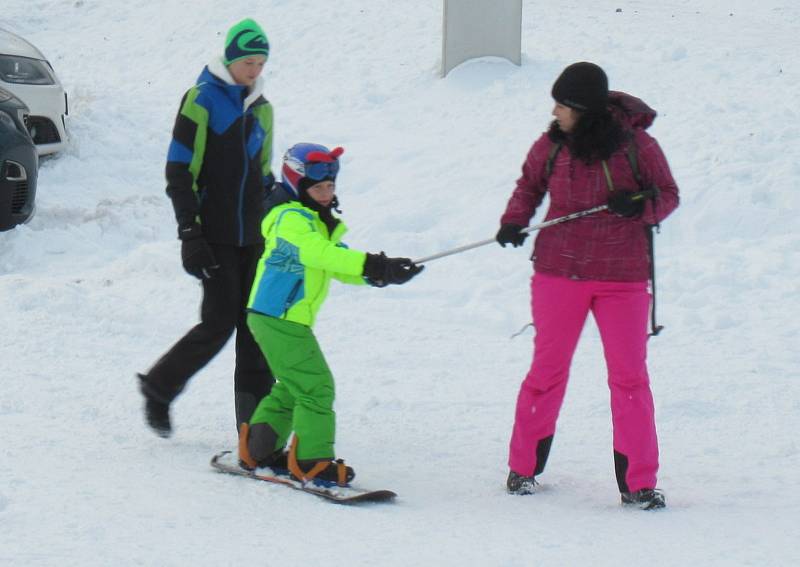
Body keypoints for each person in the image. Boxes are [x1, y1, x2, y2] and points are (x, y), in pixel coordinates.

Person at [496, 62, 679, 509]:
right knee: (547, 372)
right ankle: (523, 469)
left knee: (629, 379)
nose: (555, 111)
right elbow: (529, 185)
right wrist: (514, 221)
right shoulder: (551, 145)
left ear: (583, 109)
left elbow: (667, 194)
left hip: (623, 278)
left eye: (563, 104)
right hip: (559, 272)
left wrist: (636, 205)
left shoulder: (637, 145)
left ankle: (638, 482)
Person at [237, 142, 423, 486]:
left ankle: (258, 449)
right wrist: (373, 263)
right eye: (318, 187)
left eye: (330, 186)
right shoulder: (289, 218)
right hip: (279, 317)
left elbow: (339, 262)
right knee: (317, 388)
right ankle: (311, 462)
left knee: (294, 387)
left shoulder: (313, 221)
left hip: (276, 317)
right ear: (297, 185)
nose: (325, 194)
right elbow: (318, 254)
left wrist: (380, 273)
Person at [137, 18, 276, 437]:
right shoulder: (201, 100)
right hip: (213, 236)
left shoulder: (263, 108)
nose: (254, 70)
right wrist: (190, 233)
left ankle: (256, 431)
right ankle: (159, 387)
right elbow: (180, 170)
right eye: (247, 61)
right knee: (219, 322)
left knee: (257, 325)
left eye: (260, 62)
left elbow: (264, 175)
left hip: (253, 236)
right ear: (230, 59)